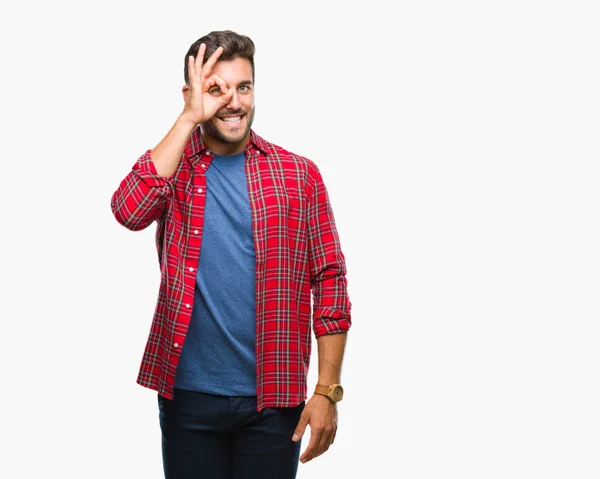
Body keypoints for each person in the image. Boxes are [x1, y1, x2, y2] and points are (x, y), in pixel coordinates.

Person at [110, 29, 352, 479]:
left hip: (274, 401)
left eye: (244, 87)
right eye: (216, 90)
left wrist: (326, 390)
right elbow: (128, 210)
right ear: (192, 93)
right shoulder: (175, 167)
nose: (234, 102)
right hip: (188, 398)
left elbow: (331, 278)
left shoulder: (299, 175)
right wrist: (187, 120)